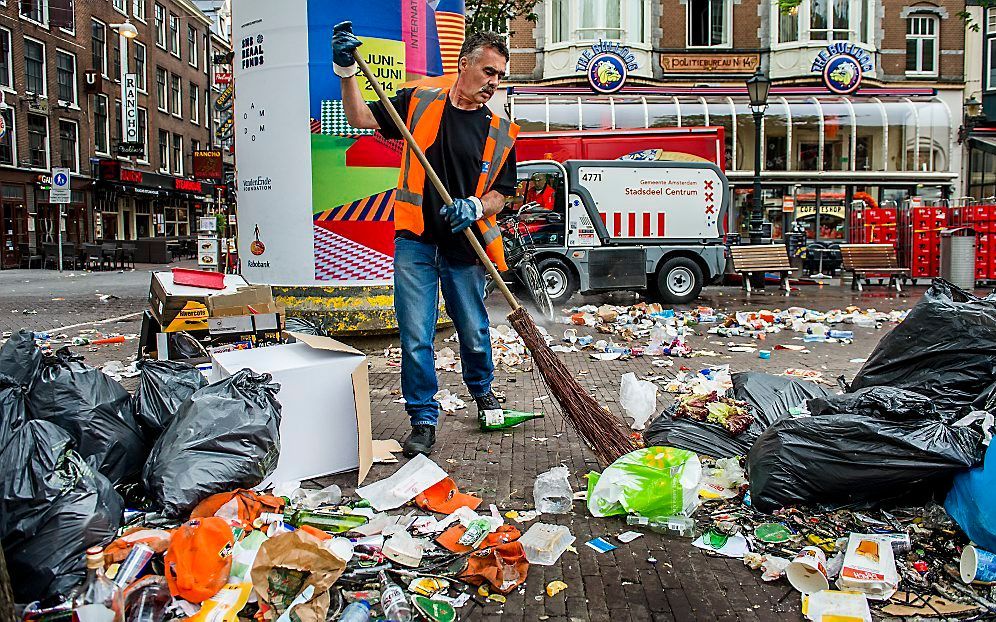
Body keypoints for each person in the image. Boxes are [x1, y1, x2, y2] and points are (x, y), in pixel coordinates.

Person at [333, 23, 519, 457]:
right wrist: (346, 72)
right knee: (415, 334)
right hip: (415, 240)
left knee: (473, 330)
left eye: (500, 76)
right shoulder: (418, 101)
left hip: (465, 246)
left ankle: (483, 391)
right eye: (488, 71)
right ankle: (422, 418)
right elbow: (359, 117)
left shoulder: (502, 131)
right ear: (464, 64)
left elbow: (503, 195)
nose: (493, 82)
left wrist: (475, 206)